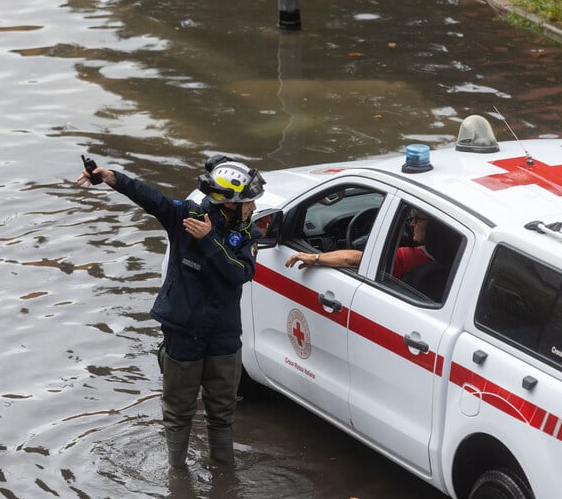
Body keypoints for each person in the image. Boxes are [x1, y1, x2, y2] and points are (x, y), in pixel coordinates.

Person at [77, 155, 265, 468]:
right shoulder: (185, 216)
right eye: (249, 202)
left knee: (222, 412)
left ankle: (223, 475)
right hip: (183, 331)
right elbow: (150, 197)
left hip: (224, 334)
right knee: (178, 413)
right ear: (229, 203)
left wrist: (209, 241)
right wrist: (110, 177)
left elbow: (239, 273)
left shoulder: (247, 234)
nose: (254, 208)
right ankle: (177, 478)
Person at [285, 210, 431, 278]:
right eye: (412, 218)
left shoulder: (409, 257)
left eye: (417, 219)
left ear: (434, 226)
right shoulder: (450, 256)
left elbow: (353, 259)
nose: (412, 223)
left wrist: (315, 258)